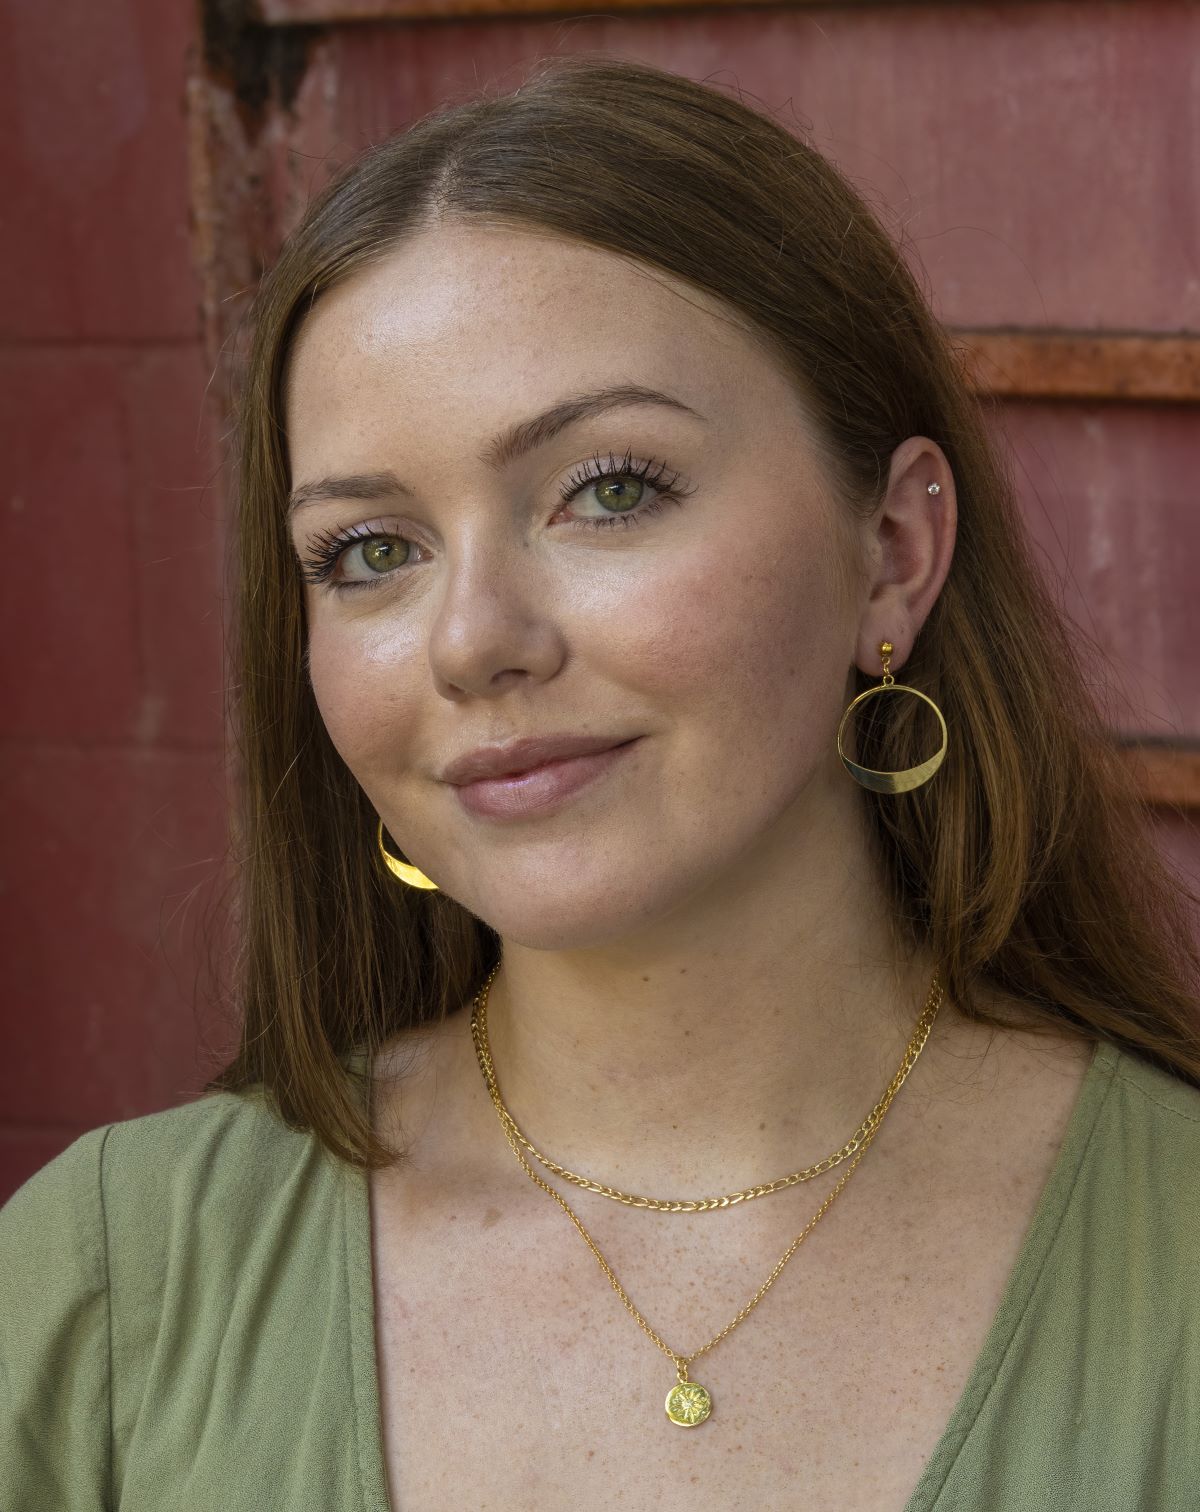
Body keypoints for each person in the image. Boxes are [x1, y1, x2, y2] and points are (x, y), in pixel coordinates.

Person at [3, 52, 1199, 1512]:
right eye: (370, 550)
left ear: (889, 550)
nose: (474, 642)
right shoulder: (103, 1296)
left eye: (609, 488)